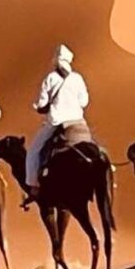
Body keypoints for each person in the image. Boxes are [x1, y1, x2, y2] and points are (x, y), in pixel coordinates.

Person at [25, 44, 90, 202]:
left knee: (34, 151)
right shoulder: (77, 78)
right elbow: (84, 102)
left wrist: (40, 108)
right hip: (78, 120)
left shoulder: (50, 78)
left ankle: (34, 186)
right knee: (91, 145)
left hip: (57, 121)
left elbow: (42, 104)